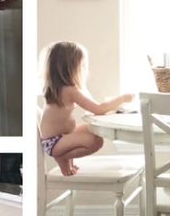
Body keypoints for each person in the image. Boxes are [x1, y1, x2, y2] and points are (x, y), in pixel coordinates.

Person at [39, 40, 133, 175]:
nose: (84, 69)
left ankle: (66, 163)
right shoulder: (69, 90)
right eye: (81, 65)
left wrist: (109, 108)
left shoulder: (58, 88)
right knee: (95, 141)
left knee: (93, 130)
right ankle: (63, 158)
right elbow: (98, 109)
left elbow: (94, 108)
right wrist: (122, 98)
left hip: (58, 138)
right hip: (54, 142)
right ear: (71, 67)